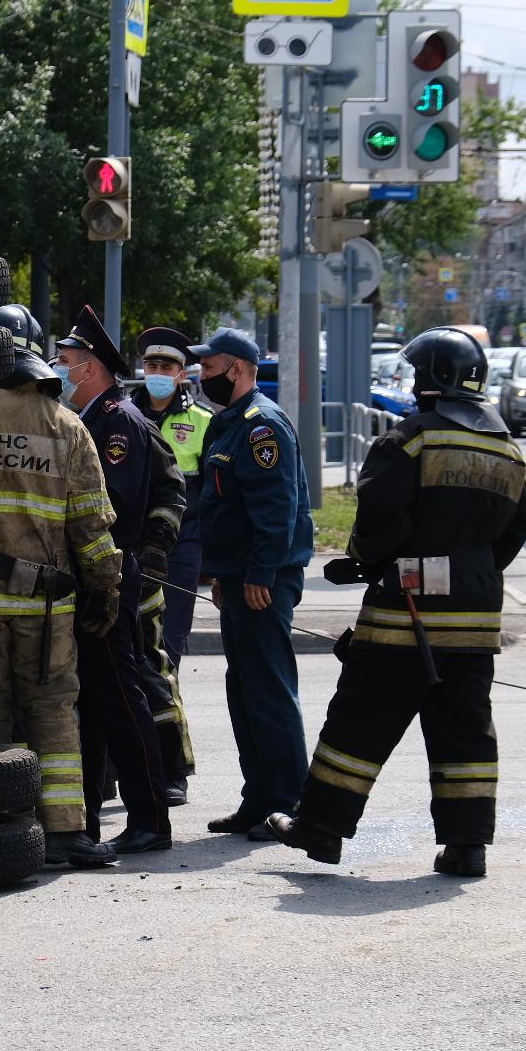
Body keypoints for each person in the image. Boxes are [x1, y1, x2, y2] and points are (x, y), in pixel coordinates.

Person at [267, 327, 526, 878]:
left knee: (358, 724)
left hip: (404, 617)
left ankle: (320, 829)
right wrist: (467, 576)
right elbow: (512, 536)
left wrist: (360, 563)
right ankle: (467, 846)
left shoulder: (410, 441)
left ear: (433, 379)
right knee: (465, 733)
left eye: (416, 374)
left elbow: (379, 525)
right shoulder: (508, 451)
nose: (410, 385)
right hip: (477, 617)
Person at [0, 306, 121, 868]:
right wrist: (104, 588)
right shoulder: (66, 426)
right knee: (54, 710)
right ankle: (65, 831)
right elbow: (91, 523)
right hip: (46, 609)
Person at [53, 306, 184, 853]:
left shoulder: (118, 423)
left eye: (64, 362)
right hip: (91, 574)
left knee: (122, 699)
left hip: (108, 574)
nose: (58, 370)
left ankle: (151, 817)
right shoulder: (95, 418)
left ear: (88, 368)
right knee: (99, 700)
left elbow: (115, 506)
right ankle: (87, 822)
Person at [194, 328, 314, 841]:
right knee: (243, 691)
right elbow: (223, 506)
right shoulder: (228, 425)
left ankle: (286, 801)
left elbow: (276, 507)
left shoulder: (262, 426)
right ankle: (256, 798)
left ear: (237, 369)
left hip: (263, 580)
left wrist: (261, 573)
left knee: (268, 689)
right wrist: (222, 572)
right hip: (239, 577)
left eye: (209, 367)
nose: (202, 376)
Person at [129, 327, 215, 803]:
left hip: (180, 551)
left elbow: (209, 495)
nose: (158, 374)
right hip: (130, 548)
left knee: (166, 654)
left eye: (168, 367)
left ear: (183, 374)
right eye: (152, 366)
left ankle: (169, 768)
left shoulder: (202, 421)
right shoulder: (123, 415)